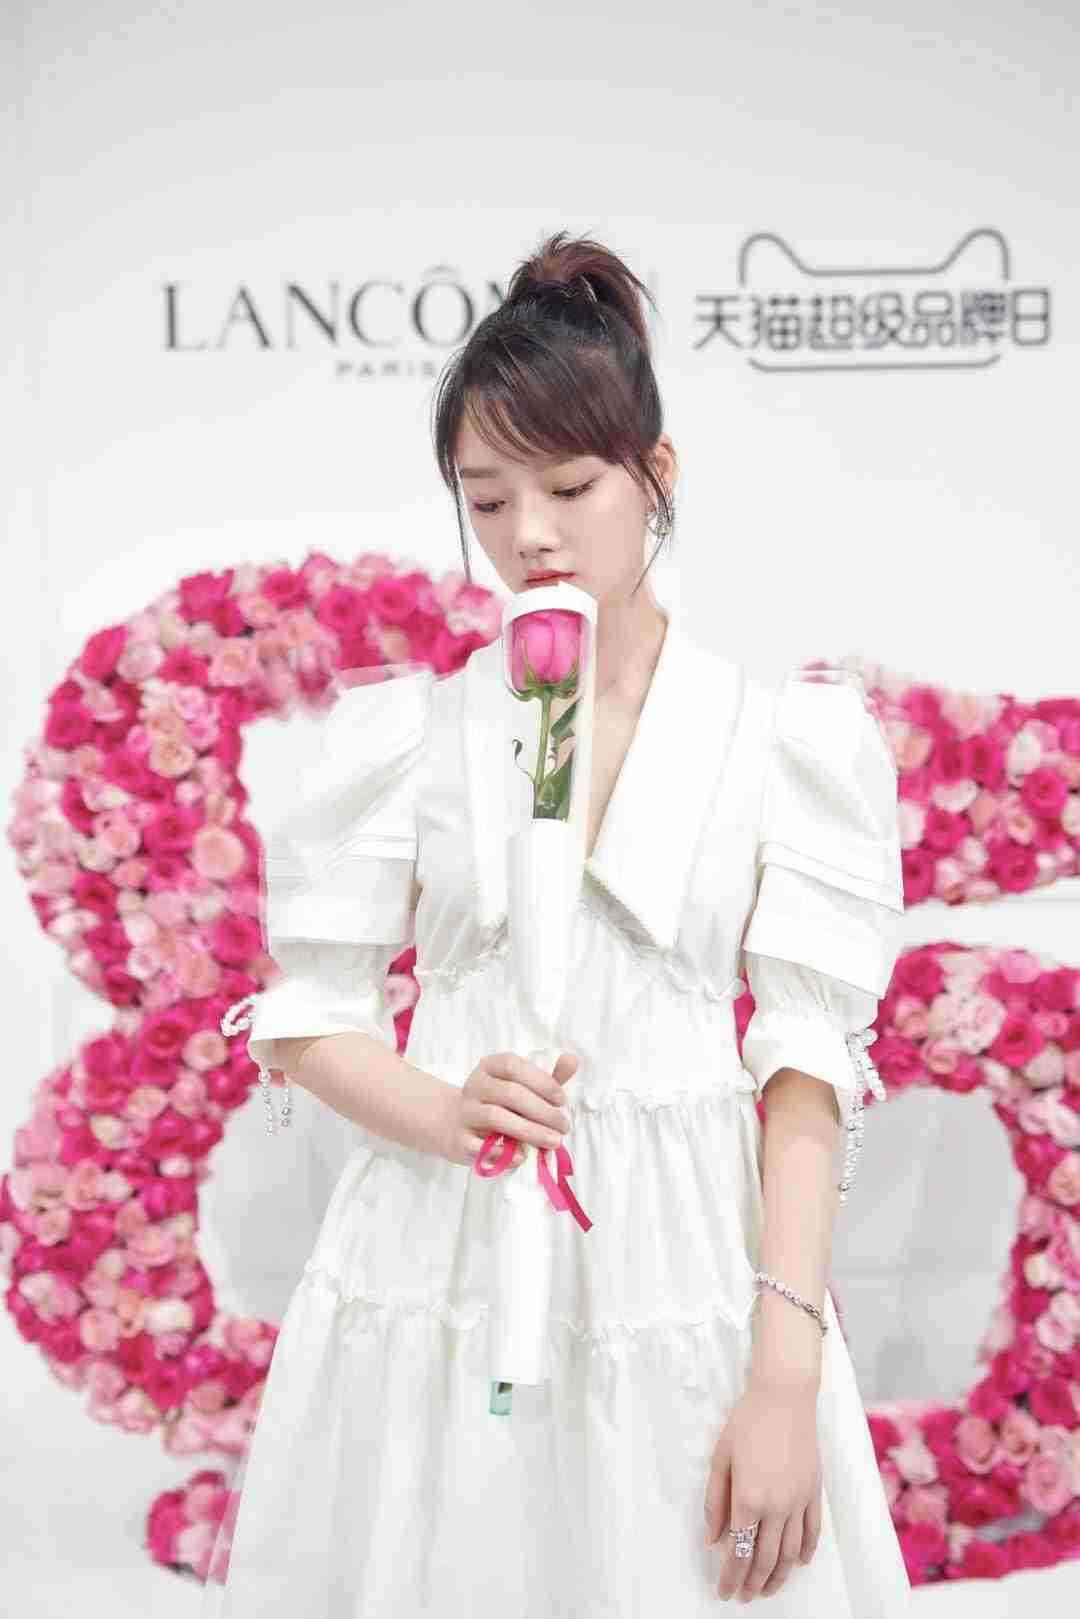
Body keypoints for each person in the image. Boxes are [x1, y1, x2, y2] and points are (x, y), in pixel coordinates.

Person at [200, 230, 912, 1616]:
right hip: (440, 1261)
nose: (528, 533)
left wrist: (785, 1377)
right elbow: (308, 1020)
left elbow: (807, 1073)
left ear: (658, 475)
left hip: (692, 1271)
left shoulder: (780, 742)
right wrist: (442, 1109)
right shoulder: (413, 733)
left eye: (570, 487)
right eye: (487, 498)